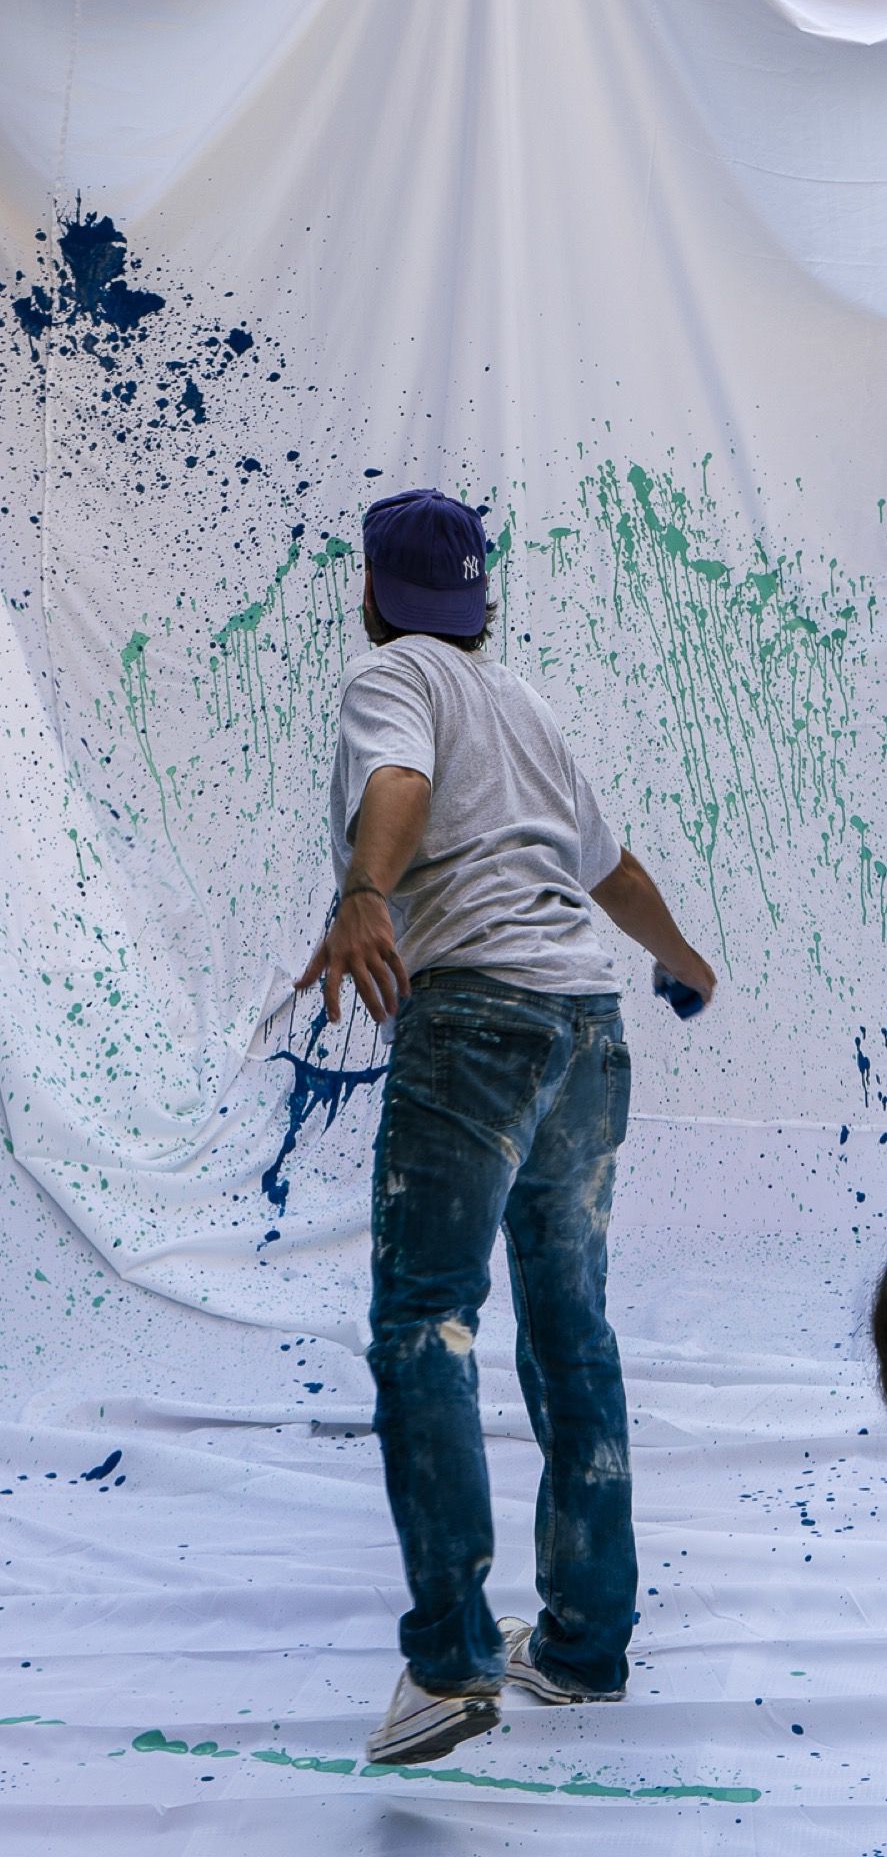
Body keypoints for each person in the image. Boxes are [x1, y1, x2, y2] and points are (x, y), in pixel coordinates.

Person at [296, 487, 717, 1768]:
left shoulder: (391, 675)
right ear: (479, 599)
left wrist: (365, 892)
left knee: (423, 1320)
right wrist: (678, 958)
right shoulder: (522, 702)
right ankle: (582, 1645)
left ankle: (448, 1660)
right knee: (569, 1329)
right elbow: (610, 870)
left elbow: (399, 776)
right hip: (585, 1028)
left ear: (373, 594)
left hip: (476, 1022)